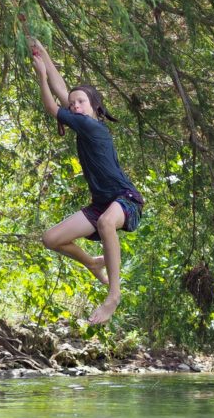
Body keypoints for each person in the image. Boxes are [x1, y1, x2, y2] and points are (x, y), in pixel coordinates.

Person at [29, 39, 144, 324]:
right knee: (51, 239)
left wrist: (41, 76)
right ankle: (93, 262)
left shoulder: (90, 125)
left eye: (81, 102)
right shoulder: (84, 120)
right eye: (74, 103)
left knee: (106, 222)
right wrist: (41, 50)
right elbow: (63, 91)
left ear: (95, 107)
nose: (76, 106)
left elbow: (52, 106)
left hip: (125, 198)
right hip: (101, 203)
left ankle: (113, 296)